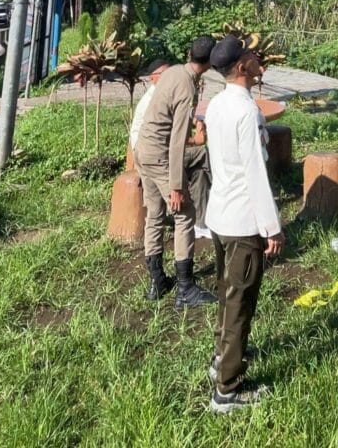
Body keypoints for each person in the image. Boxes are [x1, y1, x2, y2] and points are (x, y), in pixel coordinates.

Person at [204, 35, 284, 415]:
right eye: (252, 56)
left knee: (226, 295)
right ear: (241, 67)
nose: (258, 60)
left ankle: (221, 359)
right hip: (242, 222)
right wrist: (271, 227)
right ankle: (227, 390)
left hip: (220, 216)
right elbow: (255, 172)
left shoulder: (217, 105)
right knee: (240, 305)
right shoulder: (246, 112)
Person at [134, 35, 217, 308]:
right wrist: (177, 186)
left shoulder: (172, 72)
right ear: (211, 61)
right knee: (184, 215)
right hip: (159, 154)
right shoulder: (186, 87)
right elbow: (178, 139)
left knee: (154, 215)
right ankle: (185, 289)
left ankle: (157, 281)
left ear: (189, 53)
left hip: (142, 151)